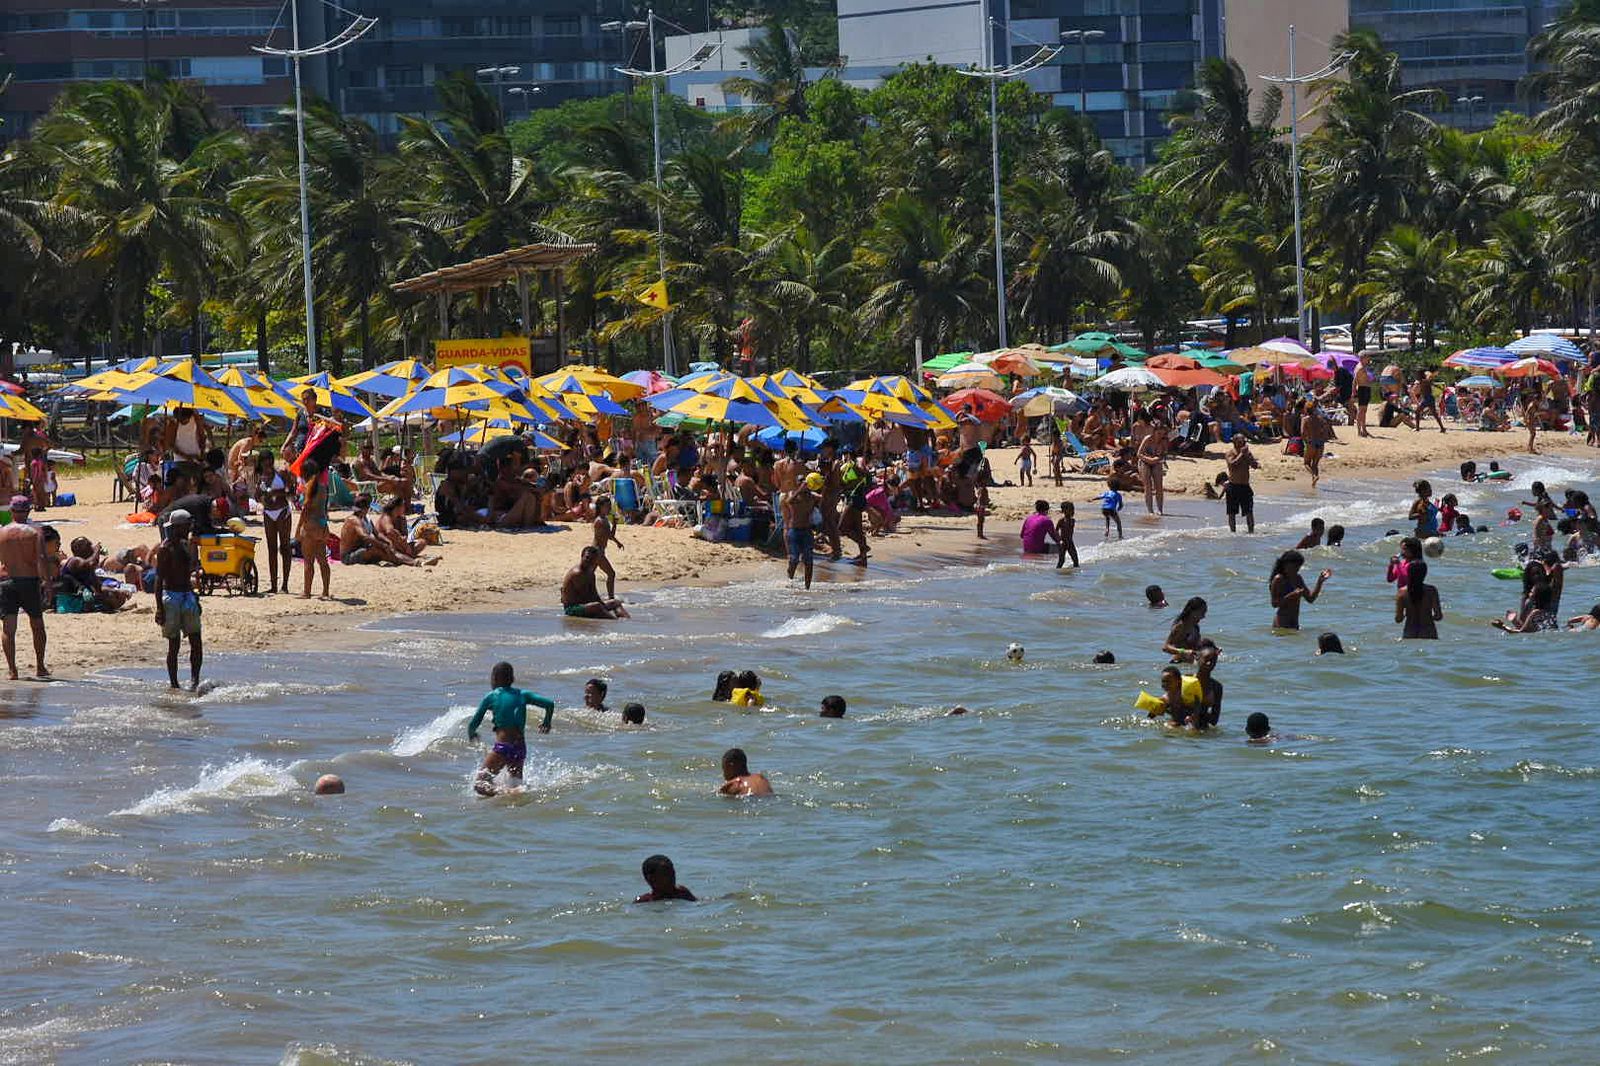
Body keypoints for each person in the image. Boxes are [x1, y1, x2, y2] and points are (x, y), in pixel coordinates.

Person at [466, 661, 556, 796]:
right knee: (516, 785)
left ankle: (507, 792)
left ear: (494, 679)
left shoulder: (492, 696)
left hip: (503, 748)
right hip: (520, 748)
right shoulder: (523, 694)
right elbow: (549, 704)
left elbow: (474, 722)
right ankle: (513, 794)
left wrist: (471, 733)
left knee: (479, 785)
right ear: (513, 679)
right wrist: (546, 723)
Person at [153, 508, 203, 690]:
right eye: (187, 525)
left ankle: (194, 681)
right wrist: (159, 607)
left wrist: (195, 598)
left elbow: (189, 570)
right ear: (179, 527)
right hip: (172, 597)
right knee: (174, 644)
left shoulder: (184, 544)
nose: (190, 528)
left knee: (196, 640)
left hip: (186, 594)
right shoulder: (165, 549)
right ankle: (174, 684)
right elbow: (159, 578)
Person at [0, 496, 48, 680]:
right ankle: (40, 667)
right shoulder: (35, 532)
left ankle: (12, 670)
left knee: (8, 628)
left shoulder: (2, 533)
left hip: (6, 581)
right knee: (37, 625)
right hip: (28, 581)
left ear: (11, 511)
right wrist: (48, 584)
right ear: (28, 510)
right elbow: (41, 559)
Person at [255, 455, 293, 594]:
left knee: (284, 547)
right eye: (264, 463)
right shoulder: (261, 478)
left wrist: (275, 492)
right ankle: (273, 585)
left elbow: (291, 491)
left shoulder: (282, 474)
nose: (267, 465)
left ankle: (285, 584)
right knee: (271, 549)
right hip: (269, 513)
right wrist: (262, 497)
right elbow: (257, 495)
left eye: (268, 461)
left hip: (282, 511)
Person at [561, 546, 629, 619]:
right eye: (587, 558)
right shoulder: (577, 573)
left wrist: (603, 604)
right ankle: (614, 622)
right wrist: (600, 606)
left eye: (592, 559)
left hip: (586, 605)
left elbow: (594, 594)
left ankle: (627, 622)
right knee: (597, 606)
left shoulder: (590, 573)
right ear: (582, 556)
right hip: (573, 609)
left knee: (615, 602)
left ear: (596, 560)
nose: (589, 561)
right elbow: (584, 598)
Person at [1269, 550, 1330, 630]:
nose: (1297, 569)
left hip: (1295, 623)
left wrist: (1320, 582)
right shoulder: (1279, 579)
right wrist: (1291, 595)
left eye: (1299, 567)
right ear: (1285, 564)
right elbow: (1274, 604)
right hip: (1282, 622)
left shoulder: (1298, 578)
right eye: (1295, 566)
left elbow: (1310, 599)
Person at [297, 460, 331, 600]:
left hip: (310, 526)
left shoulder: (308, 487)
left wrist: (298, 527)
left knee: (308, 562)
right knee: (323, 561)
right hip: (322, 525)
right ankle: (325, 591)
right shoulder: (323, 487)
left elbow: (305, 509)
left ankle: (307, 592)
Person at [784, 473, 821, 589]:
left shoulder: (811, 496)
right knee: (794, 559)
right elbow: (788, 502)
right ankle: (789, 580)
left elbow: (824, 498)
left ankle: (807, 587)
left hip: (807, 531)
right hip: (794, 531)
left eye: (805, 481)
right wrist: (800, 490)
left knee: (808, 560)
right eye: (800, 481)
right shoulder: (793, 494)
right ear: (797, 483)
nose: (803, 483)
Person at [1395, 559, 1442, 639]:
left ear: (1409, 573)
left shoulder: (1402, 592)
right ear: (1425, 574)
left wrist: (1405, 615)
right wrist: (1430, 616)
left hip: (1410, 632)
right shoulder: (1431, 590)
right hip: (1428, 632)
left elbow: (1398, 619)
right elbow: (1438, 616)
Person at [1223, 436, 1259, 533]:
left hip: (1245, 486)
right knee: (1232, 513)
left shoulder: (1247, 453)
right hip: (1233, 486)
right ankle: (1233, 533)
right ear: (1234, 442)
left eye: (1244, 441)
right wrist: (1242, 454)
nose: (1243, 443)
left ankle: (1251, 533)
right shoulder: (1230, 453)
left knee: (1249, 512)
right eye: (1240, 441)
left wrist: (1249, 457)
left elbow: (1255, 465)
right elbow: (1232, 464)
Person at [591, 495, 624, 599]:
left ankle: (589, 595)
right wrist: (614, 524)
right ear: (600, 507)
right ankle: (611, 597)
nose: (609, 508)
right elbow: (609, 535)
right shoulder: (600, 521)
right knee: (611, 574)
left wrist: (617, 541)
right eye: (607, 506)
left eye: (610, 506)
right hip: (598, 552)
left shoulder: (603, 519)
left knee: (589, 575)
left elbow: (609, 535)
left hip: (598, 551)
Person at [1136, 421, 1167, 515]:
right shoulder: (1147, 439)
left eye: (1162, 433)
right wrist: (1149, 459)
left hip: (1156, 462)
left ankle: (1160, 510)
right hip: (1144, 461)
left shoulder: (1164, 441)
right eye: (1158, 433)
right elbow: (1139, 454)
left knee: (1159, 487)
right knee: (1148, 487)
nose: (1160, 435)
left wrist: (1155, 459)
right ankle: (1150, 510)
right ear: (1154, 432)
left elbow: (1161, 455)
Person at [1163, 596, 1207, 662]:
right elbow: (1165, 647)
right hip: (1178, 663)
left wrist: (1212, 649)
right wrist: (1184, 651)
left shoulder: (1195, 626)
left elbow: (1196, 646)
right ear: (1193, 612)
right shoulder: (1180, 626)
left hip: (1192, 662)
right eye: (1202, 613)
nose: (1204, 616)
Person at [1054, 502, 1079, 569]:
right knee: (1061, 561)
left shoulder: (1073, 521)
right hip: (1063, 543)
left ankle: (1075, 575)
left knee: (1076, 561)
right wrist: (1059, 540)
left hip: (1070, 542)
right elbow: (1055, 532)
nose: (1071, 511)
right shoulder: (1061, 521)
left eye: (1072, 510)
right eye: (1069, 510)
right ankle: (1057, 573)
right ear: (1064, 511)